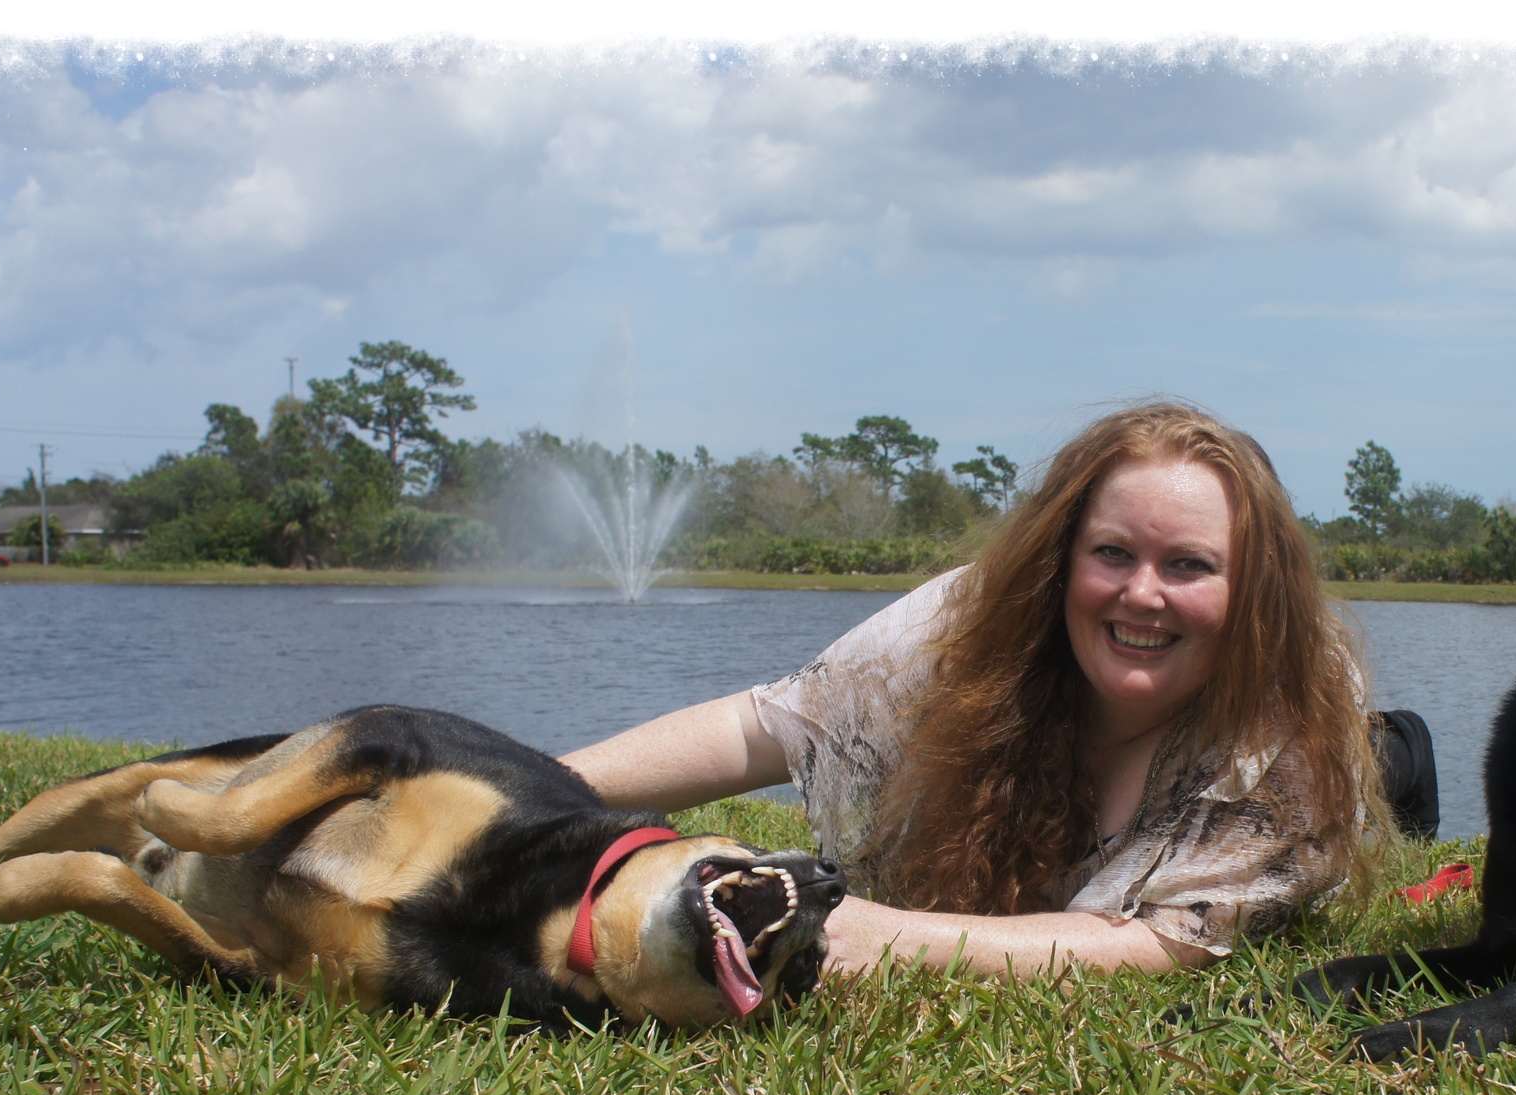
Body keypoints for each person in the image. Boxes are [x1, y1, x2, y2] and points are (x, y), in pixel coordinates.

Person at [560, 402, 1389, 980]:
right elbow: (770, 727)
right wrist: (527, 783)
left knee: (1396, 768)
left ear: (1250, 591)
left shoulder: (1291, 736)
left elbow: (1164, 943)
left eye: (1189, 565)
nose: (1142, 594)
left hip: (1286, 813)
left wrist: (885, 936)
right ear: (1060, 559)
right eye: (1111, 553)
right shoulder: (976, 618)